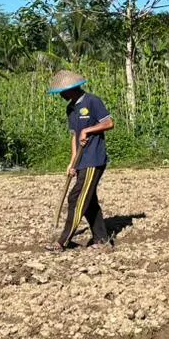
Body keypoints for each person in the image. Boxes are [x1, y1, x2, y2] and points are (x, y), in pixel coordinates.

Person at [48, 70, 114, 250]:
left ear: (72, 89)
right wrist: (72, 163)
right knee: (89, 200)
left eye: (63, 92)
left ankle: (63, 241)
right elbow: (74, 137)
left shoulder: (92, 101)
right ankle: (102, 240)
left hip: (94, 158)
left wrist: (89, 130)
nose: (61, 95)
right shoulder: (70, 108)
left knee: (76, 198)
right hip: (81, 160)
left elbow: (109, 123)